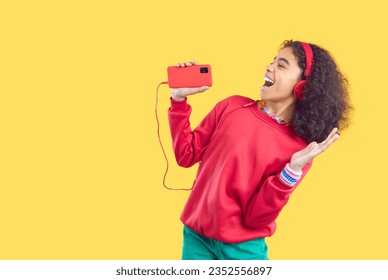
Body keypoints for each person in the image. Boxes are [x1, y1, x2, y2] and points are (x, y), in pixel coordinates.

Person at [167, 40, 351, 260]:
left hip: (243, 249)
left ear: (303, 85)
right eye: (272, 62)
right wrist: (178, 100)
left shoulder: (300, 151)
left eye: (281, 65)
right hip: (196, 237)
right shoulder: (232, 106)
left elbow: (257, 218)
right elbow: (185, 155)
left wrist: (290, 172)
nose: (269, 67)